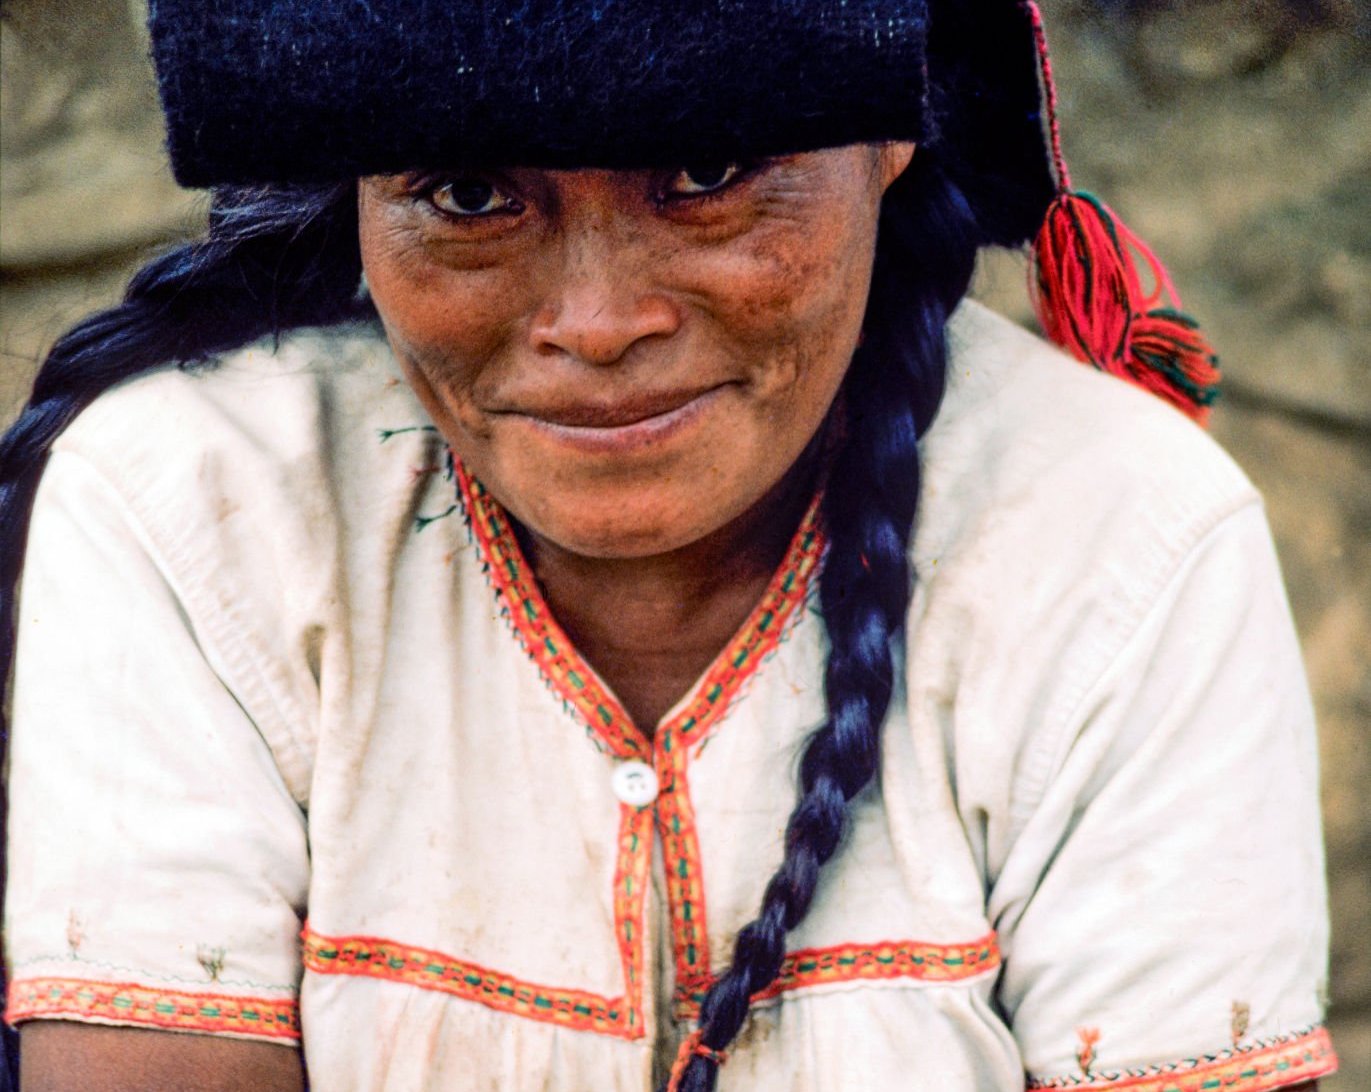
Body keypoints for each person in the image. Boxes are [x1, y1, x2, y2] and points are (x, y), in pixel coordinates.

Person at [0, 2, 1337, 1090]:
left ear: (891, 136)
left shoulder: (1123, 539)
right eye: (470, 194)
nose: (596, 322)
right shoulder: (197, 505)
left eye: (707, 174)